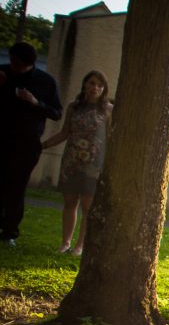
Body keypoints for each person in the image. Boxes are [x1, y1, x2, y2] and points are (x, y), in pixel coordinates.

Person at [40, 70, 113, 255]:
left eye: (98, 84)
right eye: (91, 83)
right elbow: (65, 132)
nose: (94, 87)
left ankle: (80, 246)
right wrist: (44, 145)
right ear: (85, 85)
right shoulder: (74, 107)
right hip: (72, 160)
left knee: (88, 206)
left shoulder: (108, 109)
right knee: (70, 202)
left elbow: (111, 137)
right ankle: (65, 243)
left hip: (94, 163)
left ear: (103, 89)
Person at [1, 42, 63, 247]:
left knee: (16, 187)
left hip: (26, 142)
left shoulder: (45, 82)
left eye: (17, 63)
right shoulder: (3, 74)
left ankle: (9, 231)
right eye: (11, 61)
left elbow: (56, 112)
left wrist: (36, 103)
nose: (13, 66)